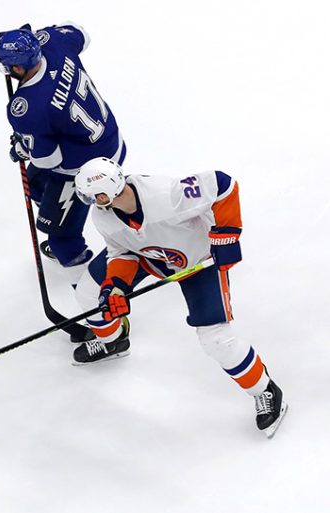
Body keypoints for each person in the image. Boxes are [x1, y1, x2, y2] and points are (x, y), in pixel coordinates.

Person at [70, 157, 288, 437]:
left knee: (217, 340)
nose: (91, 202)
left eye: (93, 195)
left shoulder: (166, 195)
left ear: (108, 189)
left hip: (198, 262)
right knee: (89, 294)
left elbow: (222, 185)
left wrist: (227, 235)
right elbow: (120, 251)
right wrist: (115, 287)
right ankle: (113, 341)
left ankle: (265, 389)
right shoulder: (103, 215)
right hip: (146, 256)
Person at [0, 23, 126, 285]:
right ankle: (76, 213)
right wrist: (16, 41)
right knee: (35, 185)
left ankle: (95, 295)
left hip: (87, 169)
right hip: (110, 137)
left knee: (60, 237)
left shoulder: (28, 107)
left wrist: (23, 147)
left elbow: (48, 160)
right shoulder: (51, 41)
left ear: (17, 68)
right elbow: (82, 35)